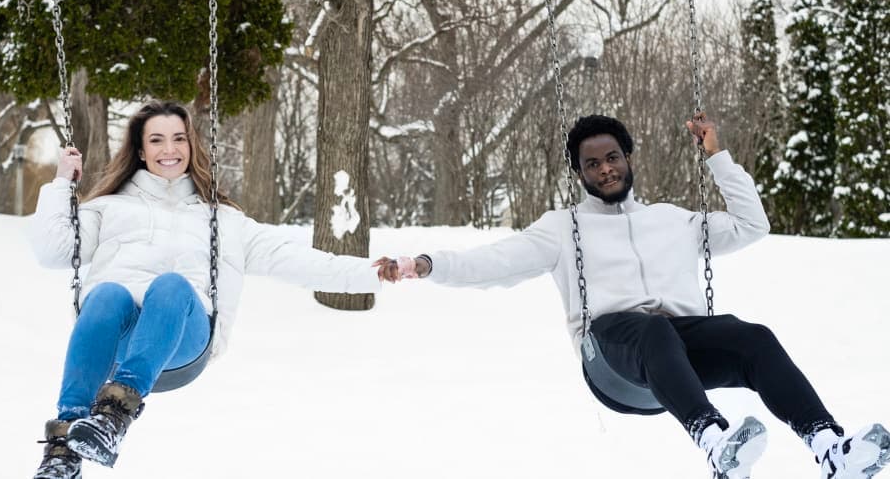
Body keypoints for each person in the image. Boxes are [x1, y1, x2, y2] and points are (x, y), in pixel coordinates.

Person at [378, 113, 889, 479]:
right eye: (592, 163)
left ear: (628, 158)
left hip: (677, 361)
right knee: (650, 329)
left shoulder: (673, 220)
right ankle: (715, 443)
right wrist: (425, 264)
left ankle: (829, 447)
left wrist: (717, 157)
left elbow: (753, 225)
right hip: (613, 363)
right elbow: (492, 262)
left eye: (612, 158)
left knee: (751, 337)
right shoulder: (564, 228)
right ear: (579, 174)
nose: (605, 170)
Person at [29, 100, 394, 479]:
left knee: (171, 286)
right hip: (117, 342)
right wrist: (60, 184)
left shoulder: (225, 220)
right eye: (156, 140)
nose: (169, 150)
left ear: (191, 146)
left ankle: (113, 416)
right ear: (140, 150)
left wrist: (374, 274)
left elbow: (301, 262)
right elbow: (54, 251)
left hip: (184, 339)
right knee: (106, 294)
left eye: (178, 139)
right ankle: (64, 450)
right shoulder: (108, 208)